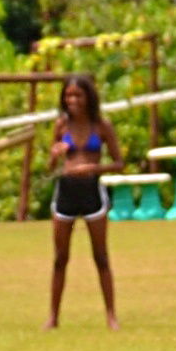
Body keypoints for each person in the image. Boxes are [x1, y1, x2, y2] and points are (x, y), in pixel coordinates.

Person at [46, 71, 120, 328]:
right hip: (66, 191)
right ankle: (53, 317)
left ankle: (111, 315)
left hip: (91, 192)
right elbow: (49, 167)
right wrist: (55, 155)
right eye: (68, 95)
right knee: (60, 258)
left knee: (101, 256)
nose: (72, 100)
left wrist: (92, 168)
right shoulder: (61, 125)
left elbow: (119, 163)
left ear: (89, 97)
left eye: (78, 95)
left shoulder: (101, 126)